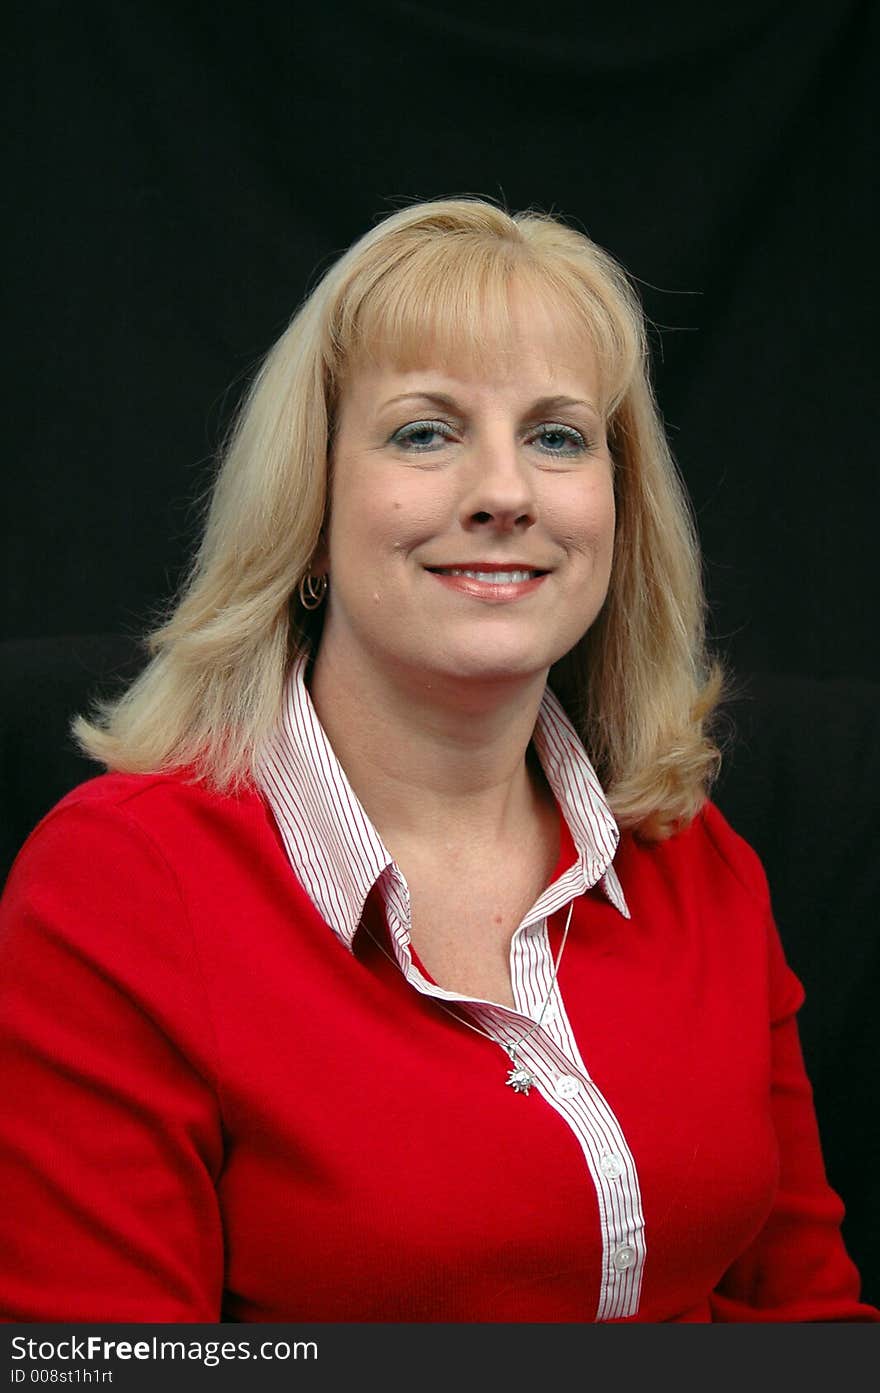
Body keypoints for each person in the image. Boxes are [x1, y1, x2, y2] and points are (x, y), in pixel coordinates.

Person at [0, 196, 876, 1325]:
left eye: (557, 436)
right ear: (308, 510)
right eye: (425, 430)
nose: (504, 493)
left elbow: (808, 1311)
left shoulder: (697, 860)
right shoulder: (119, 888)